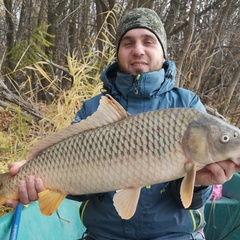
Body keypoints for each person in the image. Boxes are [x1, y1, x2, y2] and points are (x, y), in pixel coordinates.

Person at [7, 8, 240, 240]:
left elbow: (189, 202)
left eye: (148, 41)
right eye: (128, 43)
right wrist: (35, 177)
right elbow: (80, 193)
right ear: (118, 52)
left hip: (175, 235)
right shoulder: (95, 108)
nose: (138, 50)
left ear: (163, 51)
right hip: (104, 235)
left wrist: (199, 183)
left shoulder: (187, 106)